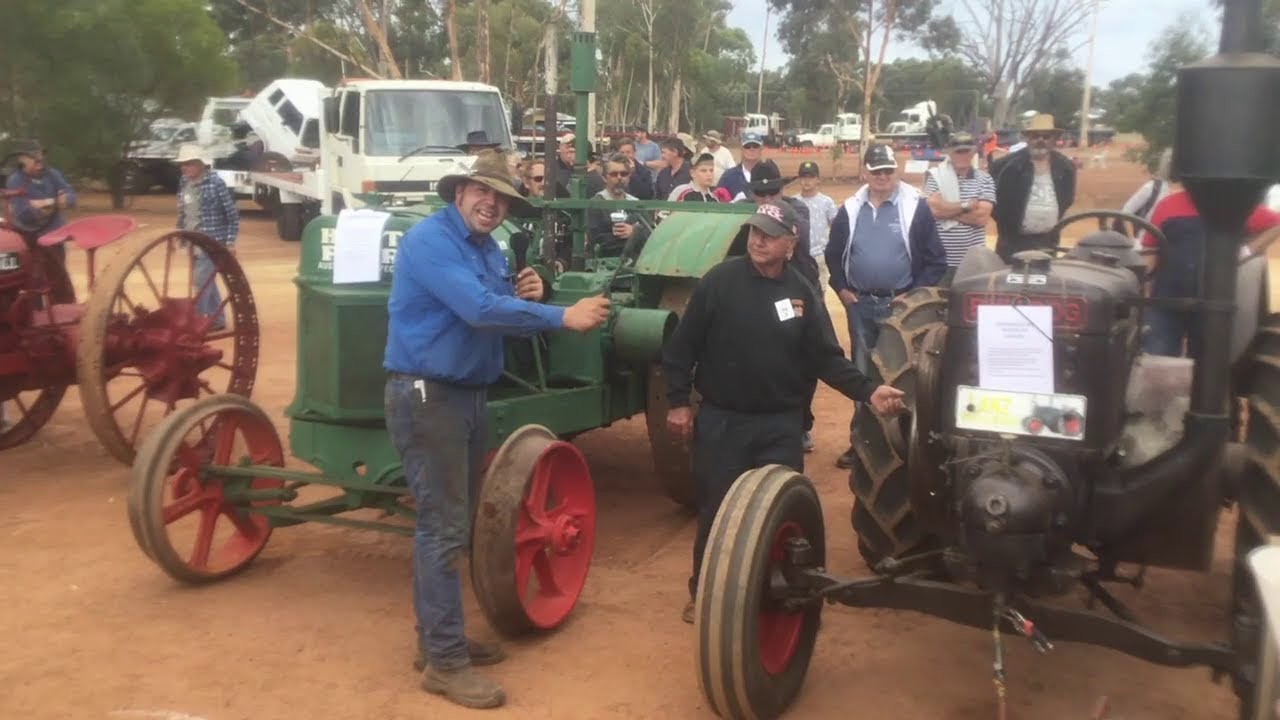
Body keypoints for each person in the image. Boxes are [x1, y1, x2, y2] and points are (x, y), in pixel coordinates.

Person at [383, 149, 611, 710]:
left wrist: (528, 292)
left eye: (502, 198)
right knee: (441, 528)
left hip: (467, 394)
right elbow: (480, 311)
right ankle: (444, 663)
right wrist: (563, 316)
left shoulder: (488, 248)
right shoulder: (432, 241)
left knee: (449, 525)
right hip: (429, 395)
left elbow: (498, 313)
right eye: (483, 192)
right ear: (458, 192)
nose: (492, 204)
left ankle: (438, 640)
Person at [662, 200, 907, 624]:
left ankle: (765, 591)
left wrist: (868, 392)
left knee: (776, 512)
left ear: (791, 245)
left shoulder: (801, 292)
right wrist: (679, 401)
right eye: (755, 231)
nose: (758, 240)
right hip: (724, 422)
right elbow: (682, 347)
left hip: (780, 424)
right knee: (718, 511)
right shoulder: (720, 282)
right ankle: (703, 590)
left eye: (770, 235)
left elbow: (825, 358)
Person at [826, 144, 946, 470]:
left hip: (901, 308)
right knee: (862, 373)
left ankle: (902, 447)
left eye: (887, 171)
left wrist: (913, 295)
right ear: (865, 172)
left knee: (903, 374)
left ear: (896, 171)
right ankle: (860, 443)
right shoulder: (850, 208)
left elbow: (936, 260)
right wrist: (840, 287)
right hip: (860, 305)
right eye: (876, 171)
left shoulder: (914, 207)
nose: (882, 177)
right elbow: (833, 252)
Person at [1141, 176, 1280, 358]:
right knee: (1158, 357)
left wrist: (1246, 251)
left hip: (1214, 301)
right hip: (1167, 299)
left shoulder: (1236, 206)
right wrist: (1144, 287)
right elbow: (1150, 249)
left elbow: (1276, 223)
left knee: (1206, 363)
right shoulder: (1167, 205)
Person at [990, 114, 1076, 261]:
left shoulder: (1065, 167)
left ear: (1054, 140)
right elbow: (996, 203)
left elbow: (1067, 199)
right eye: (1035, 136)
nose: (1040, 141)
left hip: (1048, 241)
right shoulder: (1007, 166)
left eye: (1046, 137)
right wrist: (1010, 228)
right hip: (1013, 242)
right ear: (1028, 138)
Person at [174, 143, 239, 330]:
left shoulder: (215, 183)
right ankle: (216, 320)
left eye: (188, 164)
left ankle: (198, 321)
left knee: (201, 282)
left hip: (212, 242)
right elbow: (183, 212)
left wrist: (230, 242)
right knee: (207, 281)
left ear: (200, 164)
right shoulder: (184, 183)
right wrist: (179, 235)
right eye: (182, 164)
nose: (184, 168)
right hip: (193, 241)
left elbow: (232, 215)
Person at [922, 132, 997, 279]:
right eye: (958, 151)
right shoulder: (935, 176)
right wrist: (966, 206)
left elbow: (980, 218)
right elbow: (932, 210)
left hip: (973, 262)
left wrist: (946, 208)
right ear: (950, 152)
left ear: (973, 151)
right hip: (939, 261)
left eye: (966, 151)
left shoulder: (984, 179)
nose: (962, 155)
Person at [5, 139, 76, 264]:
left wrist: (65, 199)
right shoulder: (15, 180)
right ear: (21, 159)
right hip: (30, 240)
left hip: (54, 238)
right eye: (33, 155)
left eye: (40, 154)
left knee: (58, 277)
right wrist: (54, 202)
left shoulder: (52, 174)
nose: (39, 159)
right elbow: (24, 214)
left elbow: (70, 195)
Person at [588, 153, 650, 257]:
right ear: (604, 178)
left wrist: (634, 232)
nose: (619, 177)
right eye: (613, 174)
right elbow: (593, 238)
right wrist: (621, 235)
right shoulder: (596, 203)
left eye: (624, 174)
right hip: (605, 262)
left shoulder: (636, 203)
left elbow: (651, 233)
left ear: (629, 177)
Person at [794, 160, 838, 293]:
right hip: (798, 257)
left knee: (819, 296)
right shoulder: (793, 202)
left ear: (818, 180)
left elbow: (836, 228)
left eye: (811, 177)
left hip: (819, 257)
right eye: (803, 177)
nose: (807, 181)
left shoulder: (826, 202)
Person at [1116, 148, 1173, 240]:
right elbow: (1126, 211)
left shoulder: (1193, 191)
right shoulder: (1153, 188)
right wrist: (1133, 241)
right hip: (1146, 244)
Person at [717, 132, 763, 200]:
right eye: (747, 146)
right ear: (741, 149)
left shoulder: (770, 174)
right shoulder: (728, 176)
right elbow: (718, 202)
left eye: (755, 146)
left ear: (761, 149)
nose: (751, 149)